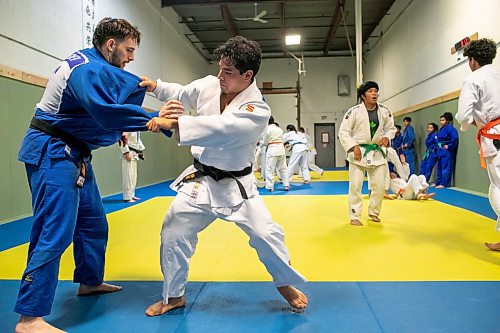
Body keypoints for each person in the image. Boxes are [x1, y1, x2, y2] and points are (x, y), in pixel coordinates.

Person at [14, 18, 169, 333]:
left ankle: (89, 281)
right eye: (128, 50)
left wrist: (119, 132)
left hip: (74, 152)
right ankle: (29, 319)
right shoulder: (86, 68)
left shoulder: (93, 63)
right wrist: (153, 118)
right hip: (52, 151)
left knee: (93, 224)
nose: (131, 58)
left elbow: (92, 112)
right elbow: (101, 109)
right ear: (110, 45)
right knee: (53, 231)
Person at [140, 36, 308, 315]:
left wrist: (173, 123)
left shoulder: (257, 109)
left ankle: (285, 284)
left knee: (267, 236)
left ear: (248, 75)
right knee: (173, 232)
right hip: (201, 181)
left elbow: (223, 128)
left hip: (237, 186)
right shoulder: (209, 84)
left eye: (227, 72)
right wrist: (156, 87)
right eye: (220, 68)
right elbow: (181, 93)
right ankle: (174, 296)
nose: (219, 76)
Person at [455, 38, 500, 251]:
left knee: (498, 189)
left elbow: (463, 115)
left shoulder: (473, 79)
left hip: (495, 137)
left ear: (472, 60)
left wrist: (471, 123)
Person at [339, 81, 396, 226]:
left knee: (380, 186)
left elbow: (391, 128)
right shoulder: (354, 111)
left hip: (377, 152)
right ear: (363, 95)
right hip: (359, 152)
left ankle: (374, 212)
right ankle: (355, 215)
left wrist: (387, 138)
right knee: (356, 185)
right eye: (370, 91)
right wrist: (353, 146)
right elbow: (344, 132)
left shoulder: (384, 111)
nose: (374, 93)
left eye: (376, 91)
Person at [263, 116, 289, 191]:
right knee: (283, 169)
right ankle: (286, 185)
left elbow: (264, 141)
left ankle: (270, 187)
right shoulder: (279, 129)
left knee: (270, 169)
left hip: (272, 149)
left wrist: (263, 143)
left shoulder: (267, 129)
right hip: (281, 149)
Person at [434, 113, 459, 188]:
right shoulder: (442, 129)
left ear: (447, 121)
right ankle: (438, 182)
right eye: (440, 120)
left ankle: (444, 183)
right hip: (440, 149)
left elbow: (455, 138)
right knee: (439, 166)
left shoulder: (451, 128)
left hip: (446, 150)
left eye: (443, 120)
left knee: (445, 167)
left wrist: (449, 146)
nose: (441, 122)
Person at [119, 131, 145, 202]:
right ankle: (127, 197)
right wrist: (125, 152)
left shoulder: (136, 128)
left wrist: (140, 152)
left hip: (135, 153)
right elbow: (122, 138)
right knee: (128, 176)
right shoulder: (127, 127)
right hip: (129, 153)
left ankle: (132, 194)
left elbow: (137, 140)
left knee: (133, 176)